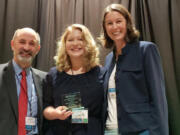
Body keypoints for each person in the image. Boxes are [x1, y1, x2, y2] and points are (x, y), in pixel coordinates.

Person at [99, 4, 169, 135]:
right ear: (105, 27)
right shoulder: (109, 59)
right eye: (109, 23)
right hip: (110, 130)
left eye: (118, 21)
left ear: (127, 23)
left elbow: (158, 98)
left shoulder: (146, 50)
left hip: (140, 130)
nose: (114, 27)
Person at [43, 24, 104, 135]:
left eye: (80, 39)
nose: (75, 43)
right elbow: (46, 107)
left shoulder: (100, 73)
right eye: (70, 40)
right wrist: (55, 113)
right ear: (64, 45)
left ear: (88, 43)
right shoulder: (53, 74)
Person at [0, 27, 46, 135]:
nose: (26, 47)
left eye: (32, 44)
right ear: (12, 44)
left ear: (37, 49)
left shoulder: (45, 79)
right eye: (22, 42)